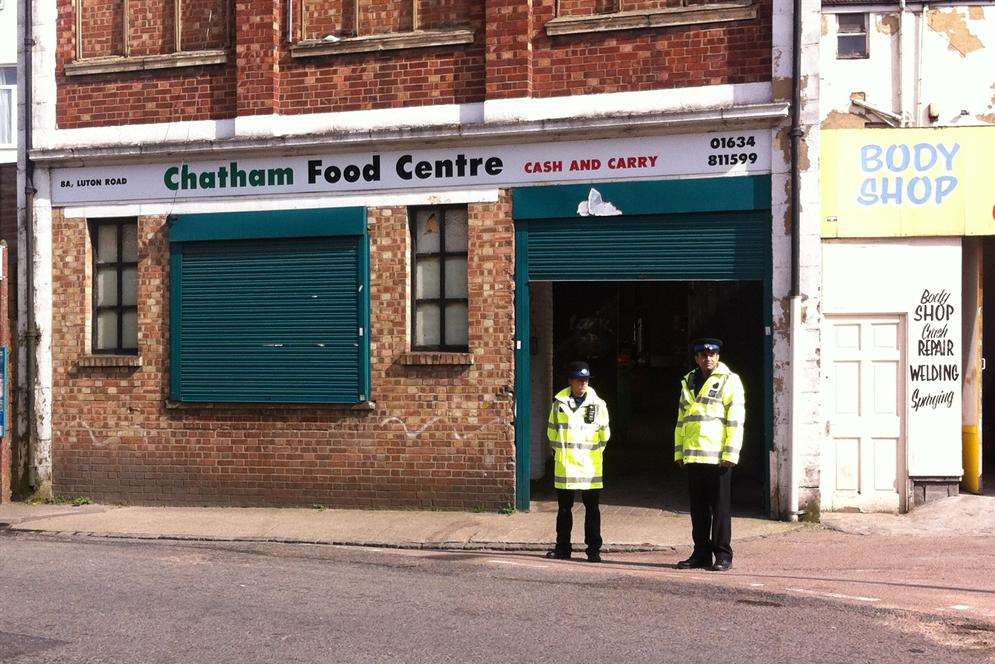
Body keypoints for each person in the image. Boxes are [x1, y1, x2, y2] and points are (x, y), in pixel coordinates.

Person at [673, 338, 745, 572]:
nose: (708, 358)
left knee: (720, 509)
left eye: (712, 354)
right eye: (703, 355)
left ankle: (723, 555)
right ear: (696, 358)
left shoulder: (729, 381)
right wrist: (679, 452)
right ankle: (701, 553)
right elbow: (681, 420)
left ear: (718, 356)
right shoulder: (688, 381)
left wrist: (731, 453)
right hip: (694, 457)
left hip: (717, 457)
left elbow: (735, 420)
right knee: (698, 509)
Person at [546, 361, 611, 563]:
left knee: (592, 509)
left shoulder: (598, 405)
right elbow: (552, 432)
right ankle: (563, 548)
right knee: (564, 510)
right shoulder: (559, 404)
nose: (583, 383)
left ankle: (593, 550)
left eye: (586, 379)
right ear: (570, 381)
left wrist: (591, 454)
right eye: (578, 379)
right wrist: (562, 453)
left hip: (590, 466)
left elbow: (604, 435)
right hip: (565, 464)